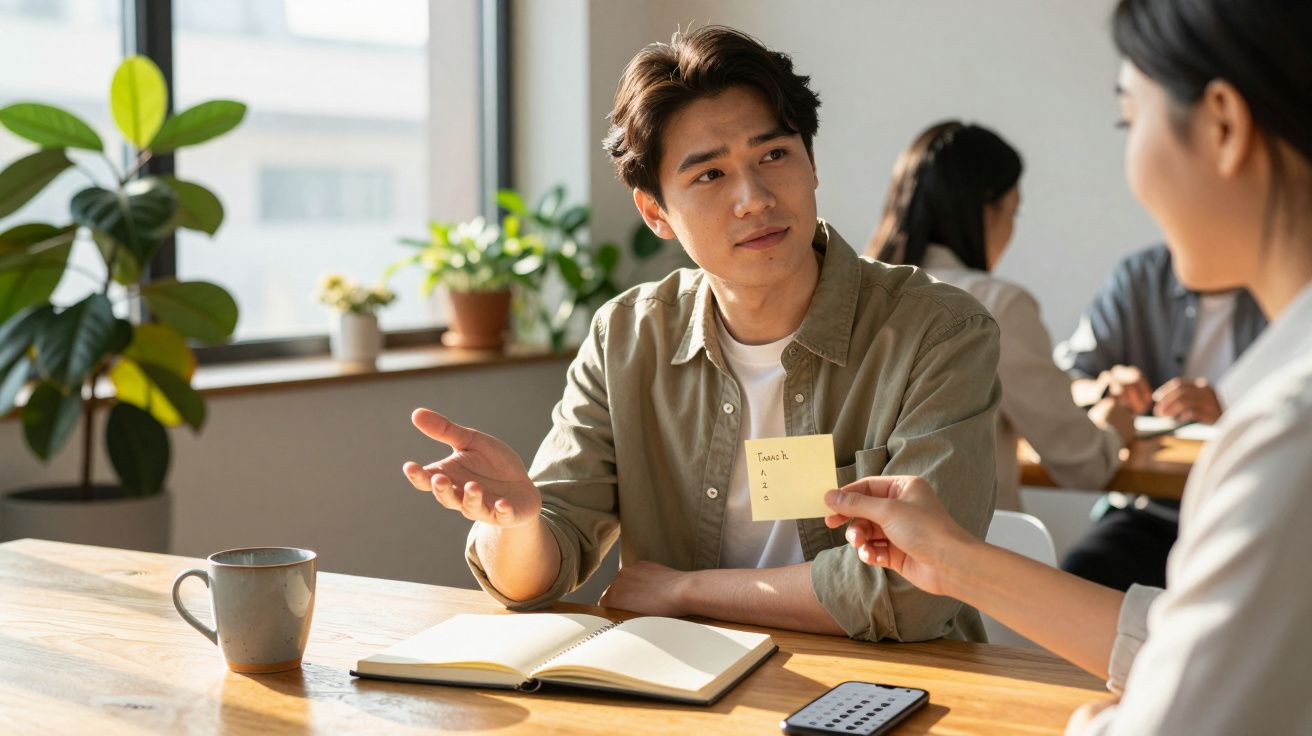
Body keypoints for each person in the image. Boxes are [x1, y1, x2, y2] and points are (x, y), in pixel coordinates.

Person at [401, 26, 1002, 643]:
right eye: (710, 175)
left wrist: (684, 591)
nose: (754, 199)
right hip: (688, 678)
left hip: (894, 680)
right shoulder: (627, 337)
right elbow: (536, 576)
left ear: (811, 163)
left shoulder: (938, 332)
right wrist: (519, 525)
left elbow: (917, 592)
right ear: (655, 212)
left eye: (774, 155)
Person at [823, 0, 1312, 732]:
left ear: (1222, 126)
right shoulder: (1271, 409)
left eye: (1128, 119)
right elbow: (1198, 642)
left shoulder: (1286, 434)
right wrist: (952, 558)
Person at [871, 121, 1135, 512]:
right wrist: (1114, 427)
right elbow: (1082, 464)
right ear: (985, 209)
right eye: (1013, 212)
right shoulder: (995, 306)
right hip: (969, 542)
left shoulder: (857, 295)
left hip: (857, 536)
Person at [1054, 242, 1266, 590]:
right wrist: (1104, 388)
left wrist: (1230, 409)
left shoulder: (1289, 282)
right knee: (1076, 582)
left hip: (1255, 511)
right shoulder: (1140, 275)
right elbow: (1062, 381)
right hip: (1147, 510)